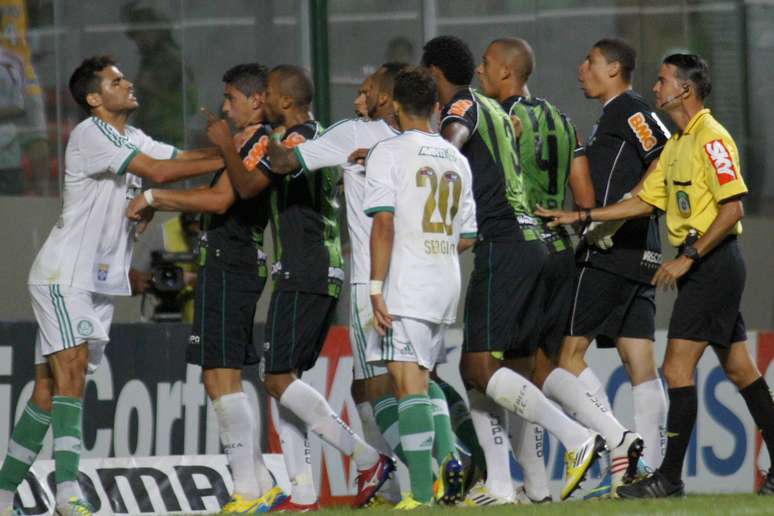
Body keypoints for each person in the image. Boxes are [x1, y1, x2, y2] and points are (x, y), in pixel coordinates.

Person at [538, 53, 774, 499]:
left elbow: (733, 207)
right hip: (706, 263)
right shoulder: (679, 143)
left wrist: (689, 256)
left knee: (674, 367)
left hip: (714, 262)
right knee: (741, 370)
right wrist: (584, 214)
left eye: (664, 80)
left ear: (685, 89)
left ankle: (668, 477)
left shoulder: (712, 138)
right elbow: (643, 201)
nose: (656, 86)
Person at [0, 55, 222, 516]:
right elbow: (159, 175)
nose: (129, 83)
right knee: (73, 374)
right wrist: (231, 155)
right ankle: (68, 495)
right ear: (95, 99)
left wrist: (235, 151)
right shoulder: (91, 133)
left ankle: (2, 498)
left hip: (93, 284)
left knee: (49, 390)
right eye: (117, 81)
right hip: (65, 277)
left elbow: (178, 158)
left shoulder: (130, 137)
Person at [421, 35, 603, 504]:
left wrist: (416, 162)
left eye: (488, 63)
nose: (481, 70)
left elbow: (450, 149)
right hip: (527, 243)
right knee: (498, 369)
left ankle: (576, 436)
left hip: (504, 244)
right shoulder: (505, 113)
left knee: (479, 364)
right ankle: (520, 486)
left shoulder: (465, 105)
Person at [478, 36, 648, 500]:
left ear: (508, 72)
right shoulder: (563, 120)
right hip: (561, 253)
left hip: (518, 249)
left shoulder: (499, 120)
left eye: (487, 65)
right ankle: (553, 478)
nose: (480, 72)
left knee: (492, 368)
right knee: (538, 367)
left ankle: (544, 468)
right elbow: (586, 199)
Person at [223, 64, 394, 510]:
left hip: (306, 267)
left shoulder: (296, 142)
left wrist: (229, 144)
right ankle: (302, 493)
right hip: (322, 268)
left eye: (268, 94)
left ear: (283, 102)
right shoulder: (324, 136)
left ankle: (366, 457)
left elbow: (245, 186)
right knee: (282, 380)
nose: (261, 101)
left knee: (277, 377)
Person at [127, 63, 285, 513]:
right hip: (230, 262)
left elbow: (219, 200)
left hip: (231, 262)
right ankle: (257, 485)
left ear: (256, 101)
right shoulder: (244, 144)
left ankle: (247, 491)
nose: (224, 107)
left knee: (221, 377)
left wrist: (155, 198)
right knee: (221, 377)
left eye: (231, 98)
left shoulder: (256, 141)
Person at [554, 38, 670, 476]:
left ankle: (620, 441)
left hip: (612, 250)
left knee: (567, 355)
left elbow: (663, 155)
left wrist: (618, 212)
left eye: (591, 61)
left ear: (614, 68)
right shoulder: (610, 117)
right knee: (638, 359)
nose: (582, 68)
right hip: (641, 252)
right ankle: (648, 472)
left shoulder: (630, 110)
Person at [363, 66, 476, 509]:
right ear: (434, 108)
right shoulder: (455, 158)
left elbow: (384, 223)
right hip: (444, 279)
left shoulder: (388, 152)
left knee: (406, 383)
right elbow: (468, 234)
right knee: (423, 379)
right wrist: (437, 247)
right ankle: (447, 463)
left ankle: (419, 495)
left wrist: (375, 288)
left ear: (392, 104)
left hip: (406, 280)